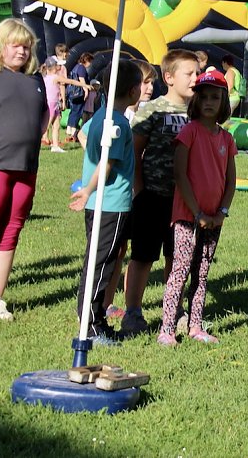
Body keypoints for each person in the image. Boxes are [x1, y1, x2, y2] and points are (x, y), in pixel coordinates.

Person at [121, 49, 198, 336]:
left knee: (177, 258)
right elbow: (135, 153)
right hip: (152, 197)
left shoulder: (198, 113)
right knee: (142, 256)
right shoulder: (152, 110)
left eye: (196, 73)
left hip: (185, 201)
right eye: (188, 73)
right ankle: (133, 312)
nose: (195, 79)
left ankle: (175, 309)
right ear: (169, 77)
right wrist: (140, 193)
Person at [157, 70, 236, 346]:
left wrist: (221, 214)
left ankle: (195, 325)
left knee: (201, 275)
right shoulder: (188, 132)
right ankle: (167, 329)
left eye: (215, 97)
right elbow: (180, 175)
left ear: (224, 101)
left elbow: (230, 181)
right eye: (204, 97)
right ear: (196, 100)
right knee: (179, 272)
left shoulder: (227, 139)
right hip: (188, 217)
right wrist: (198, 214)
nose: (209, 102)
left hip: (214, 220)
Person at [68, 60, 142, 346]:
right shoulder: (119, 124)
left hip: (100, 203)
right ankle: (90, 324)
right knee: (102, 264)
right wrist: (88, 189)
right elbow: (107, 163)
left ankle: (94, 319)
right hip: (109, 205)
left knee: (97, 260)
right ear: (134, 91)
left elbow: (84, 134)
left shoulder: (100, 116)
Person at [0, 18, 48, 321]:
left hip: (26, 169)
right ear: (0, 45)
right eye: (15, 45)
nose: (21, 51)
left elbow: (44, 115)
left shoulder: (35, 80)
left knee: (9, 235)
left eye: (26, 46)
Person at [103, 58, 158, 320]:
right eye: (145, 82)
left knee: (127, 250)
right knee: (116, 248)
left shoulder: (146, 112)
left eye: (151, 83)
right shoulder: (121, 115)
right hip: (125, 190)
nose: (148, 88)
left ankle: (119, 302)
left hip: (140, 190)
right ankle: (104, 300)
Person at [41, 56, 89, 152]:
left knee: (56, 125)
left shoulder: (46, 77)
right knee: (46, 127)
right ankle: (35, 144)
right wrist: (84, 85)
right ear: (54, 67)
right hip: (51, 104)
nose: (60, 67)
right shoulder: (55, 77)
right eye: (58, 65)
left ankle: (55, 146)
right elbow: (70, 81)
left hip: (55, 104)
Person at [65, 52, 94, 142]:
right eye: (90, 61)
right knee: (77, 111)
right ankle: (73, 129)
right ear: (86, 60)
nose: (90, 64)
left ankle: (69, 128)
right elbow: (82, 80)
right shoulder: (82, 68)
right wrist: (85, 90)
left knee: (73, 111)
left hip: (72, 92)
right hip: (79, 92)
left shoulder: (76, 67)